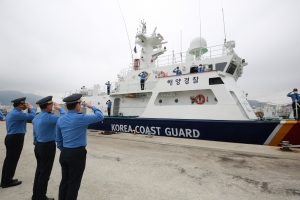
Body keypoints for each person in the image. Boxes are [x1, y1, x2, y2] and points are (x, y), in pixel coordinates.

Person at [56, 94, 104, 200]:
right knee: (74, 183)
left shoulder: (60, 119)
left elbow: (58, 139)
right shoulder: (81, 118)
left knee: (65, 180)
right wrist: (91, 106)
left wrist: (63, 150)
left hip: (64, 152)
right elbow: (100, 116)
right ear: (77, 106)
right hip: (77, 154)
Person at [32, 96, 66, 200]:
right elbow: (65, 118)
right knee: (45, 173)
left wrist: (37, 143)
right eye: (51, 105)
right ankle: (41, 196)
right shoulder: (50, 117)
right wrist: (59, 108)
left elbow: (34, 134)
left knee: (39, 171)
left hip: (38, 146)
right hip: (47, 146)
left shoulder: (36, 117)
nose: (52, 107)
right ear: (47, 106)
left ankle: (36, 195)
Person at [1, 97, 36, 188]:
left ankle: (5, 179)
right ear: (20, 105)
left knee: (9, 159)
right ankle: (7, 181)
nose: (24, 106)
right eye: (23, 104)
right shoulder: (17, 113)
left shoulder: (13, 112)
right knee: (12, 160)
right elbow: (32, 116)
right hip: (16, 138)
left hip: (11, 137)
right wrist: (31, 108)